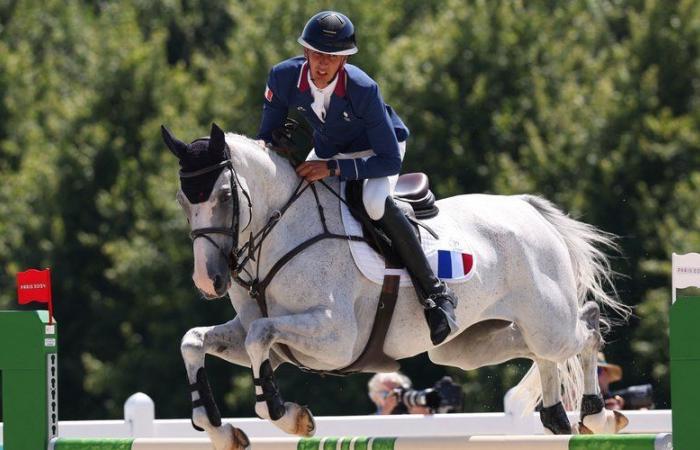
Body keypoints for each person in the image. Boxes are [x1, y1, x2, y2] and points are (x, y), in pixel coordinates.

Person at [256, 10, 458, 345]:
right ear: (306, 52)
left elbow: (389, 159)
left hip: (377, 150)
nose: (323, 65)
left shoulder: (362, 88)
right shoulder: (282, 77)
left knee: (373, 203)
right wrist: (278, 145)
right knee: (297, 197)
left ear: (344, 60)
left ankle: (437, 296)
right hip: (331, 147)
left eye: (333, 58)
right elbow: (265, 136)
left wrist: (333, 169)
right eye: (318, 54)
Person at [367, 372, 431, 415]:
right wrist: (385, 413)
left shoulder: (415, 411)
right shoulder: (365, 422)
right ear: (374, 397)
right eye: (386, 393)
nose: (393, 396)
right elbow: (374, 433)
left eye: (397, 392)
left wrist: (424, 418)